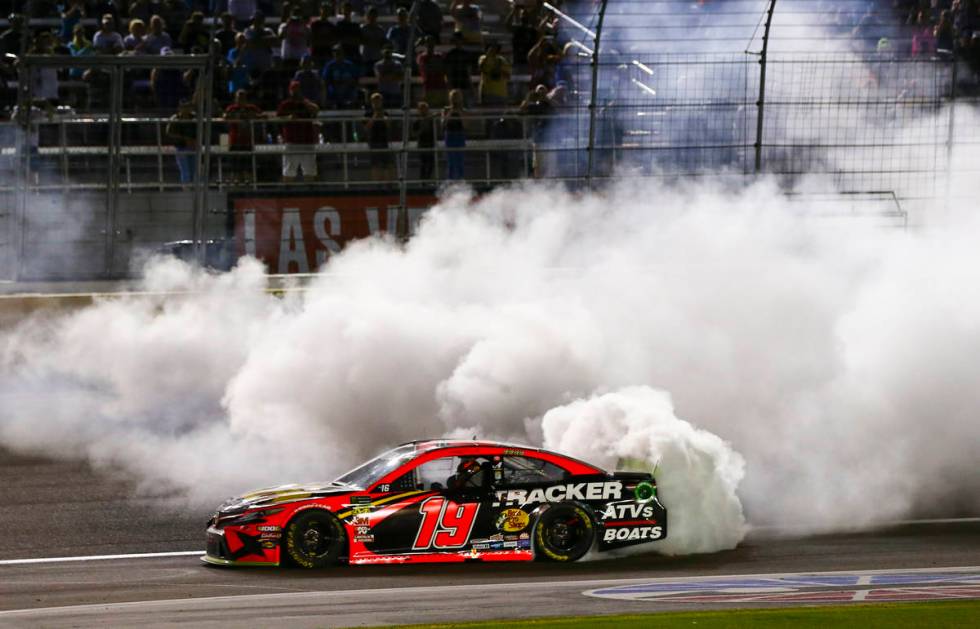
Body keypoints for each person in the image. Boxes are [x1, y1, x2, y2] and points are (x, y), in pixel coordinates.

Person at [277, 79, 320, 181]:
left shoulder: (306, 102)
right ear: (290, 91)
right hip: (291, 141)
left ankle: (310, 195)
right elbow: (278, 118)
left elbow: (316, 110)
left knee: (310, 171)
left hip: (307, 141)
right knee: (288, 171)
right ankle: (287, 195)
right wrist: (289, 118)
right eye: (293, 90)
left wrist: (303, 101)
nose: (295, 92)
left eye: (298, 90)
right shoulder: (285, 104)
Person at [224, 89, 263, 183]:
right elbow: (225, 117)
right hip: (235, 141)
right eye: (239, 97)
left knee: (248, 166)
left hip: (248, 141)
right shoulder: (231, 108)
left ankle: (249, 185)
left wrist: (252, 116)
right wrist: (236, 116)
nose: (241, 100)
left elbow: (262, 116)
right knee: (235, 167)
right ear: (235, 99)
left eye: (243, 97)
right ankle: (237, 185)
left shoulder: (251, 108)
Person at [364, 91, 394, 182]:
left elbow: (389, 126)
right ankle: (377, 184)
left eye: (379, 101)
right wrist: (375, 116)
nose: (377, 103)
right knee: (375, 164)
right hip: (373, 141)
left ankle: (388, 183)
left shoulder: (385, 113)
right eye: (375, 101)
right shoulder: (368, 113)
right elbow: (366, 127)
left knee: (387, 163)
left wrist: (383, 117)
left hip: (384, 141)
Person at [167, 100, 198, 184]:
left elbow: (202, 130)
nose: (185, 109)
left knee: (193, 170)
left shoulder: (195, 118)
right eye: (183, 107)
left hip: (194, 147)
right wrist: (184, 139)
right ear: (179, 108)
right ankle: (186, 189)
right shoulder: (175, 118)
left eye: (187, 107)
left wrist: (195, 140)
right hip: (181, 147)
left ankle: (193, 188)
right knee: (185, 170)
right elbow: (169, 133)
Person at [322, 44, 359, 108]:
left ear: (343, 53)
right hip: (334, 89)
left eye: (339, 51)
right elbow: (325, 79)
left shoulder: (349, 65)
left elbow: (355, 78)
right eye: (335, 51)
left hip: (348, 89)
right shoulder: (330, 66)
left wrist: (346, 83)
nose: (337, 53)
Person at [477, 41, 511, 107]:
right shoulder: (483, 58)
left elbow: (508, 76)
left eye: (495, 48)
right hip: (487, 93)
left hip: (501, 93)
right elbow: (481, 68)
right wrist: (488, 55)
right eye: (491, 48)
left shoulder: (502, 60)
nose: (493, 50)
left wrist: (499, 69)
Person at [417, 37, 448, 108]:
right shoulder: (422, 57)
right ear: (425, 45)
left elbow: (443, 69)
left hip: (440, 86)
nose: (430, 45)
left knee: (441, 107)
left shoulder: (439, 56)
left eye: (432, 43)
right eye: (428, 43)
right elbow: (425, 69)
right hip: (429, 87)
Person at [443, 88, 466, 180]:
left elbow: (466, 125)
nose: (455, 99)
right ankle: (450, 182)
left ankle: (461, 181)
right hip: (450, 135)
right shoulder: (446, 110)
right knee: (451, 162)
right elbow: (443, 124)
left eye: (457, 97)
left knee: (460, 161)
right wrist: (450, 113)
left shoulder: (463, 110)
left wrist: (460, 114)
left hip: (459, 135)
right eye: (454, 97)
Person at [444, 31, 473, 104]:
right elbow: (448, 71)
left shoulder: (466, 54)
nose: (458, 41)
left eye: (459, 39)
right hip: (454, 84)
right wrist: (449, 83)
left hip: (464, 84)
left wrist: (470, 85)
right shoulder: (450, 55)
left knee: (465, 105)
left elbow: (468, 71)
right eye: (456, 40)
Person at [359, 6, 388, 74]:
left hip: (377, 59)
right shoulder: (362, 29)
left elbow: (383, 43)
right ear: (367, 16)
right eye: (370, 15)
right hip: (366, 60)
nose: (372, 18)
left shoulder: (380, 30)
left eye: (374, 15)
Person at [413, 100, 436, 181]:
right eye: (421, 109)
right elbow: (414, 134)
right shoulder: (417, 121)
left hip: (431, 144)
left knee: (431, 164)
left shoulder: (431, 120)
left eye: (425, 108)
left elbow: (436, 131)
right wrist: (421, 129)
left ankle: (428, 179)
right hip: (422, 144)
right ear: (419, 110)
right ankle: (422, 181)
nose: (423, 110)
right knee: (423, 164)